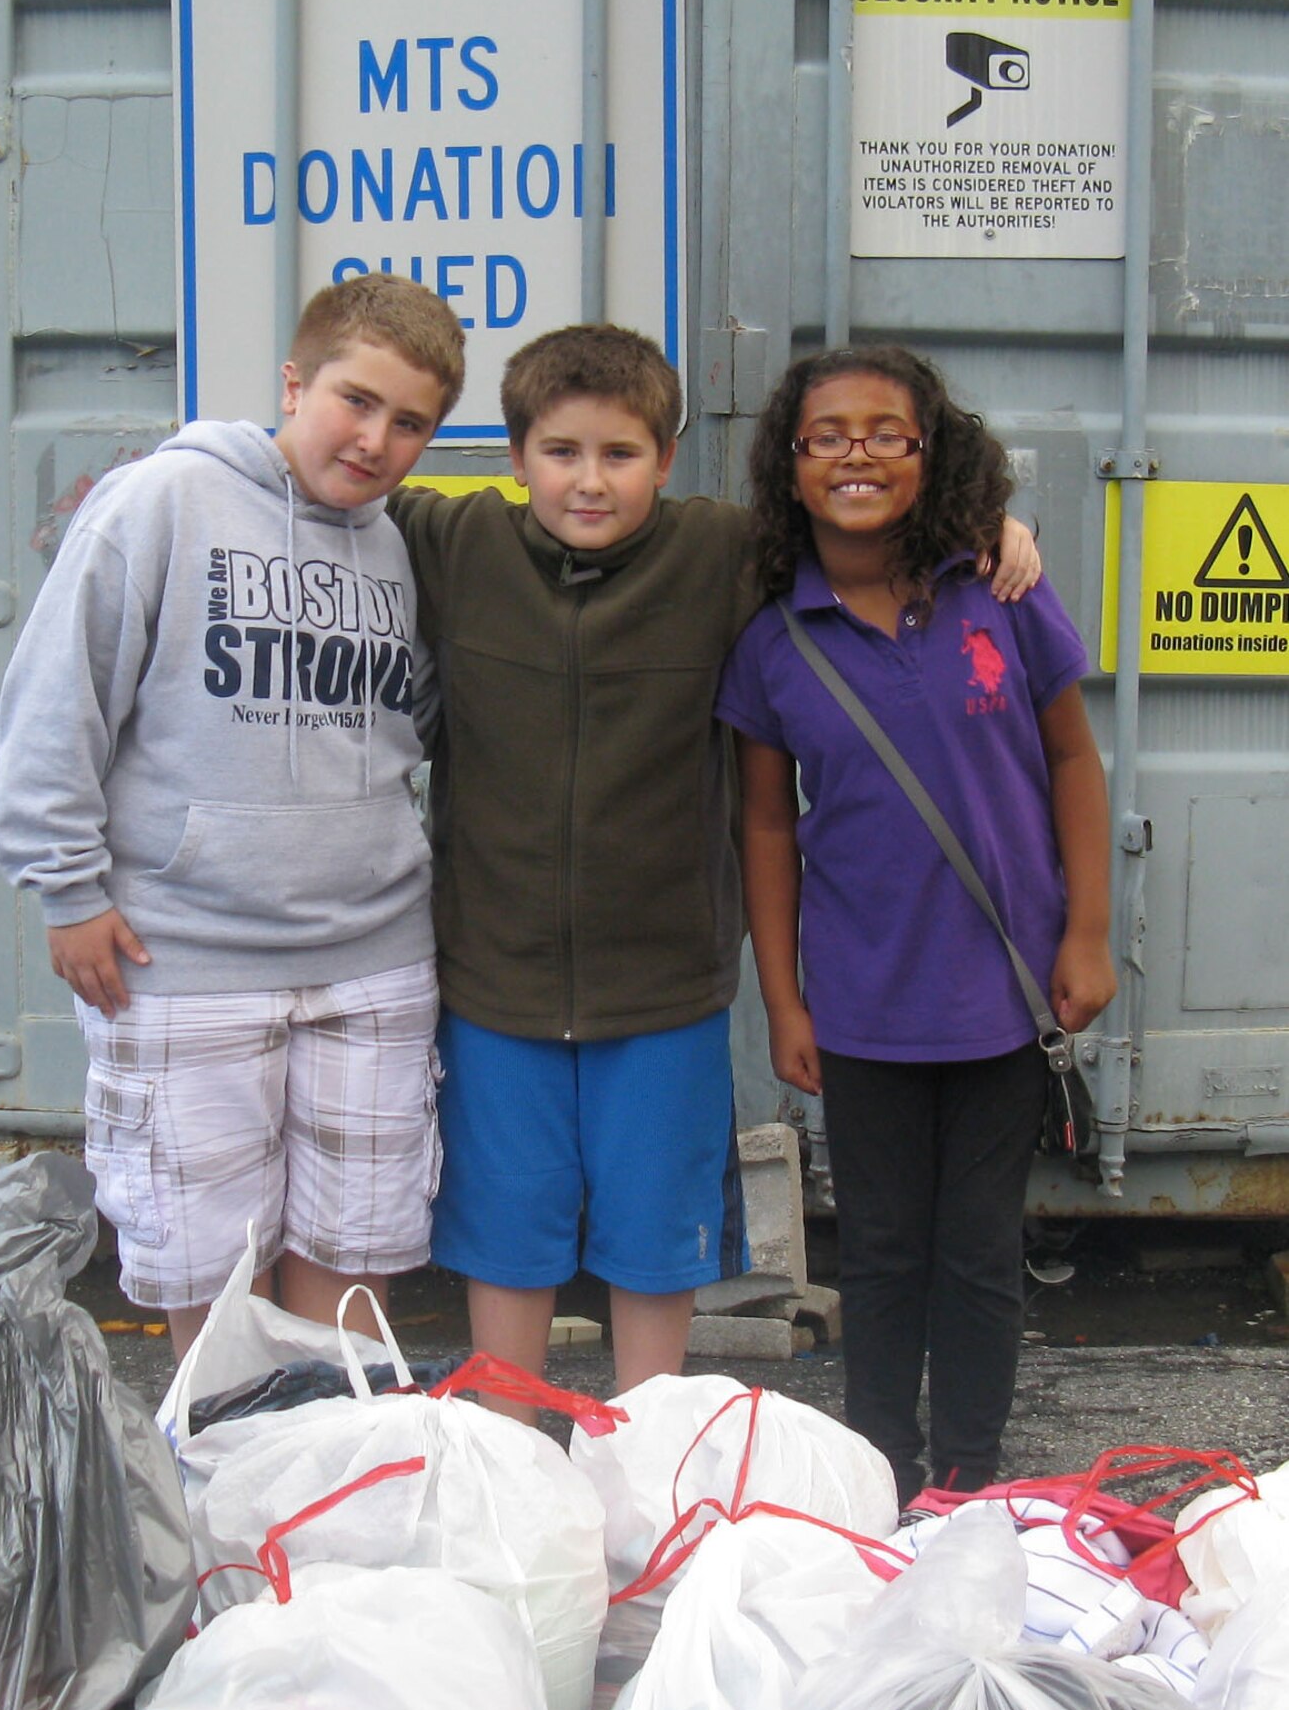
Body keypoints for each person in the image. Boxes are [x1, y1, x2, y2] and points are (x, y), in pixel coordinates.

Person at [390, 323, 1042, 1401]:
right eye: (560, 452)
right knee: (506, 1243)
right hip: (492, 987)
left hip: (667, 993)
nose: (589, 480)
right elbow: (330, 486)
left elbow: (860, 522)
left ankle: (650, 1455)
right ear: (513, 457)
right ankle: (507, 1470)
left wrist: (990, 528)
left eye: (620, 454)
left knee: (657, 1245)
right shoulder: (454, 546)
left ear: (667, 457)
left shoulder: (725, 555)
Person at [0, 274, 467, 1360]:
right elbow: (58, 700)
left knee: (353, 1280)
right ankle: (220, 1511)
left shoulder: (398, 546)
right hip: (184, 955)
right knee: (216, 1284)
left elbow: (423, 722)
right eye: (355, 400)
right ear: (294, 381)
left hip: (373, 960)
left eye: (410, 423)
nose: (375, 439)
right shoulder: (161, 501)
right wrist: (67, 891)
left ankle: (323, 1504)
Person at [716, 344, 1115, 1503]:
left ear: (926, 453)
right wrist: (785, 998)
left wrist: (1086, 931)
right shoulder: (774, 641)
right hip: (861, 1002)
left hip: (1003, 993)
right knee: (883, 1252)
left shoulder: (999, 588)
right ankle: (882, 1474)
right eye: (825, 432)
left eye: (886, 430)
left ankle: (972, 1473)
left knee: (980, 1252)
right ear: (790, 466)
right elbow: (766, 828)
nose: (855, 451)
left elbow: (1073, 760)